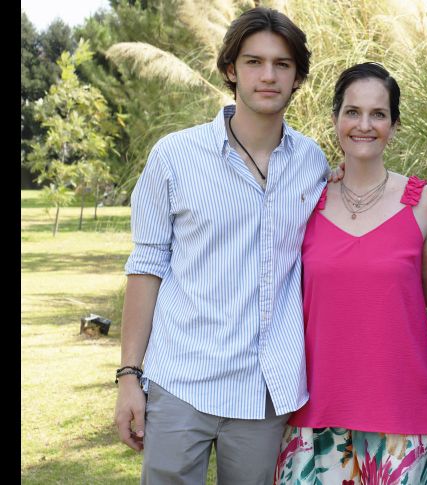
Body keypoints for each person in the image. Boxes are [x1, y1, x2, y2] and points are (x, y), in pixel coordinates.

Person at [113, 7, 330, 483]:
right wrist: (129, 375)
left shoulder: (312, 162)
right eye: (253, 62)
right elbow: (146, 265)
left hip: (266, 391)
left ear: (298, 77)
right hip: (181, 381)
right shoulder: (175, 156)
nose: (268, 75)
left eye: (282, 64)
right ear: (231, 69)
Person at [273, 62, 427, 484]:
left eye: (378, 114)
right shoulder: (306, 199)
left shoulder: (423, 202)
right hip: (316, 412)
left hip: (402, 417)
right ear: (335, 119)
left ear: (394, 124)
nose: (364, 125)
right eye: (352, 112)